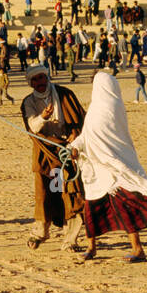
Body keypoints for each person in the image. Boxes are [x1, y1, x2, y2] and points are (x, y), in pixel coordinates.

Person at [66, 72, 147, 262]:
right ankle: (92, 247)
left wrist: (77, 149)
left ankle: (137, 249)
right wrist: (74, 147)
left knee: (122, 208)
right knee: (92, 208)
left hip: (110, 168)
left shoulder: (107, 108)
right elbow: (88, 135)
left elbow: (98, 138)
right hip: (98, 169)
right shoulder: (102, 107)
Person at [21, 64, 86, 250]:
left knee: (71, 193)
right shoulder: (29, 102)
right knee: (45, 194)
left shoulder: (65, 94)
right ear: (30, 83)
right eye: (35, 80)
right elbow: (32, 127)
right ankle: (40, 233)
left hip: (68, 153)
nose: (39, 82)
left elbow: (81, 118)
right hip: (45, 155)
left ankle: (70, 239)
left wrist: (76, 135)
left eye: (41, 78)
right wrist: (43, 117)